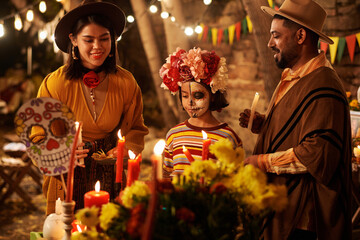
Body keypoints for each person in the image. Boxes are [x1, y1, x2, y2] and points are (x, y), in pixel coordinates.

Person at [239, 0, 352, 239]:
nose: (270, 43)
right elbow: (298, 126)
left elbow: (317, 153)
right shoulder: (293, 76)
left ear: (301, 36)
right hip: (283, 209)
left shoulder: (324, 84)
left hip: (304, 220)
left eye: (276, 36)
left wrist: (261, 162)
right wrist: (265, 124)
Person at [31, 0, 148, 215]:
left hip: (112, 175)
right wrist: (62, 152)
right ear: (73, 40)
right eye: (89, 40)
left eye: (105, 39)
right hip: (68, 180)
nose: (98, 47)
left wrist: (124, 150)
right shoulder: (54, 84)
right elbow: (38, 138)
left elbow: (137, 130)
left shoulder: (126, 82)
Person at [160, 47, 242, 178]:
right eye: (185, 96)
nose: (190, 103)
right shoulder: (173, 135)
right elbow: (166, 175)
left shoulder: (227, 137)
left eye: (198, 96)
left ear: (213, 95)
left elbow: (235, 180)